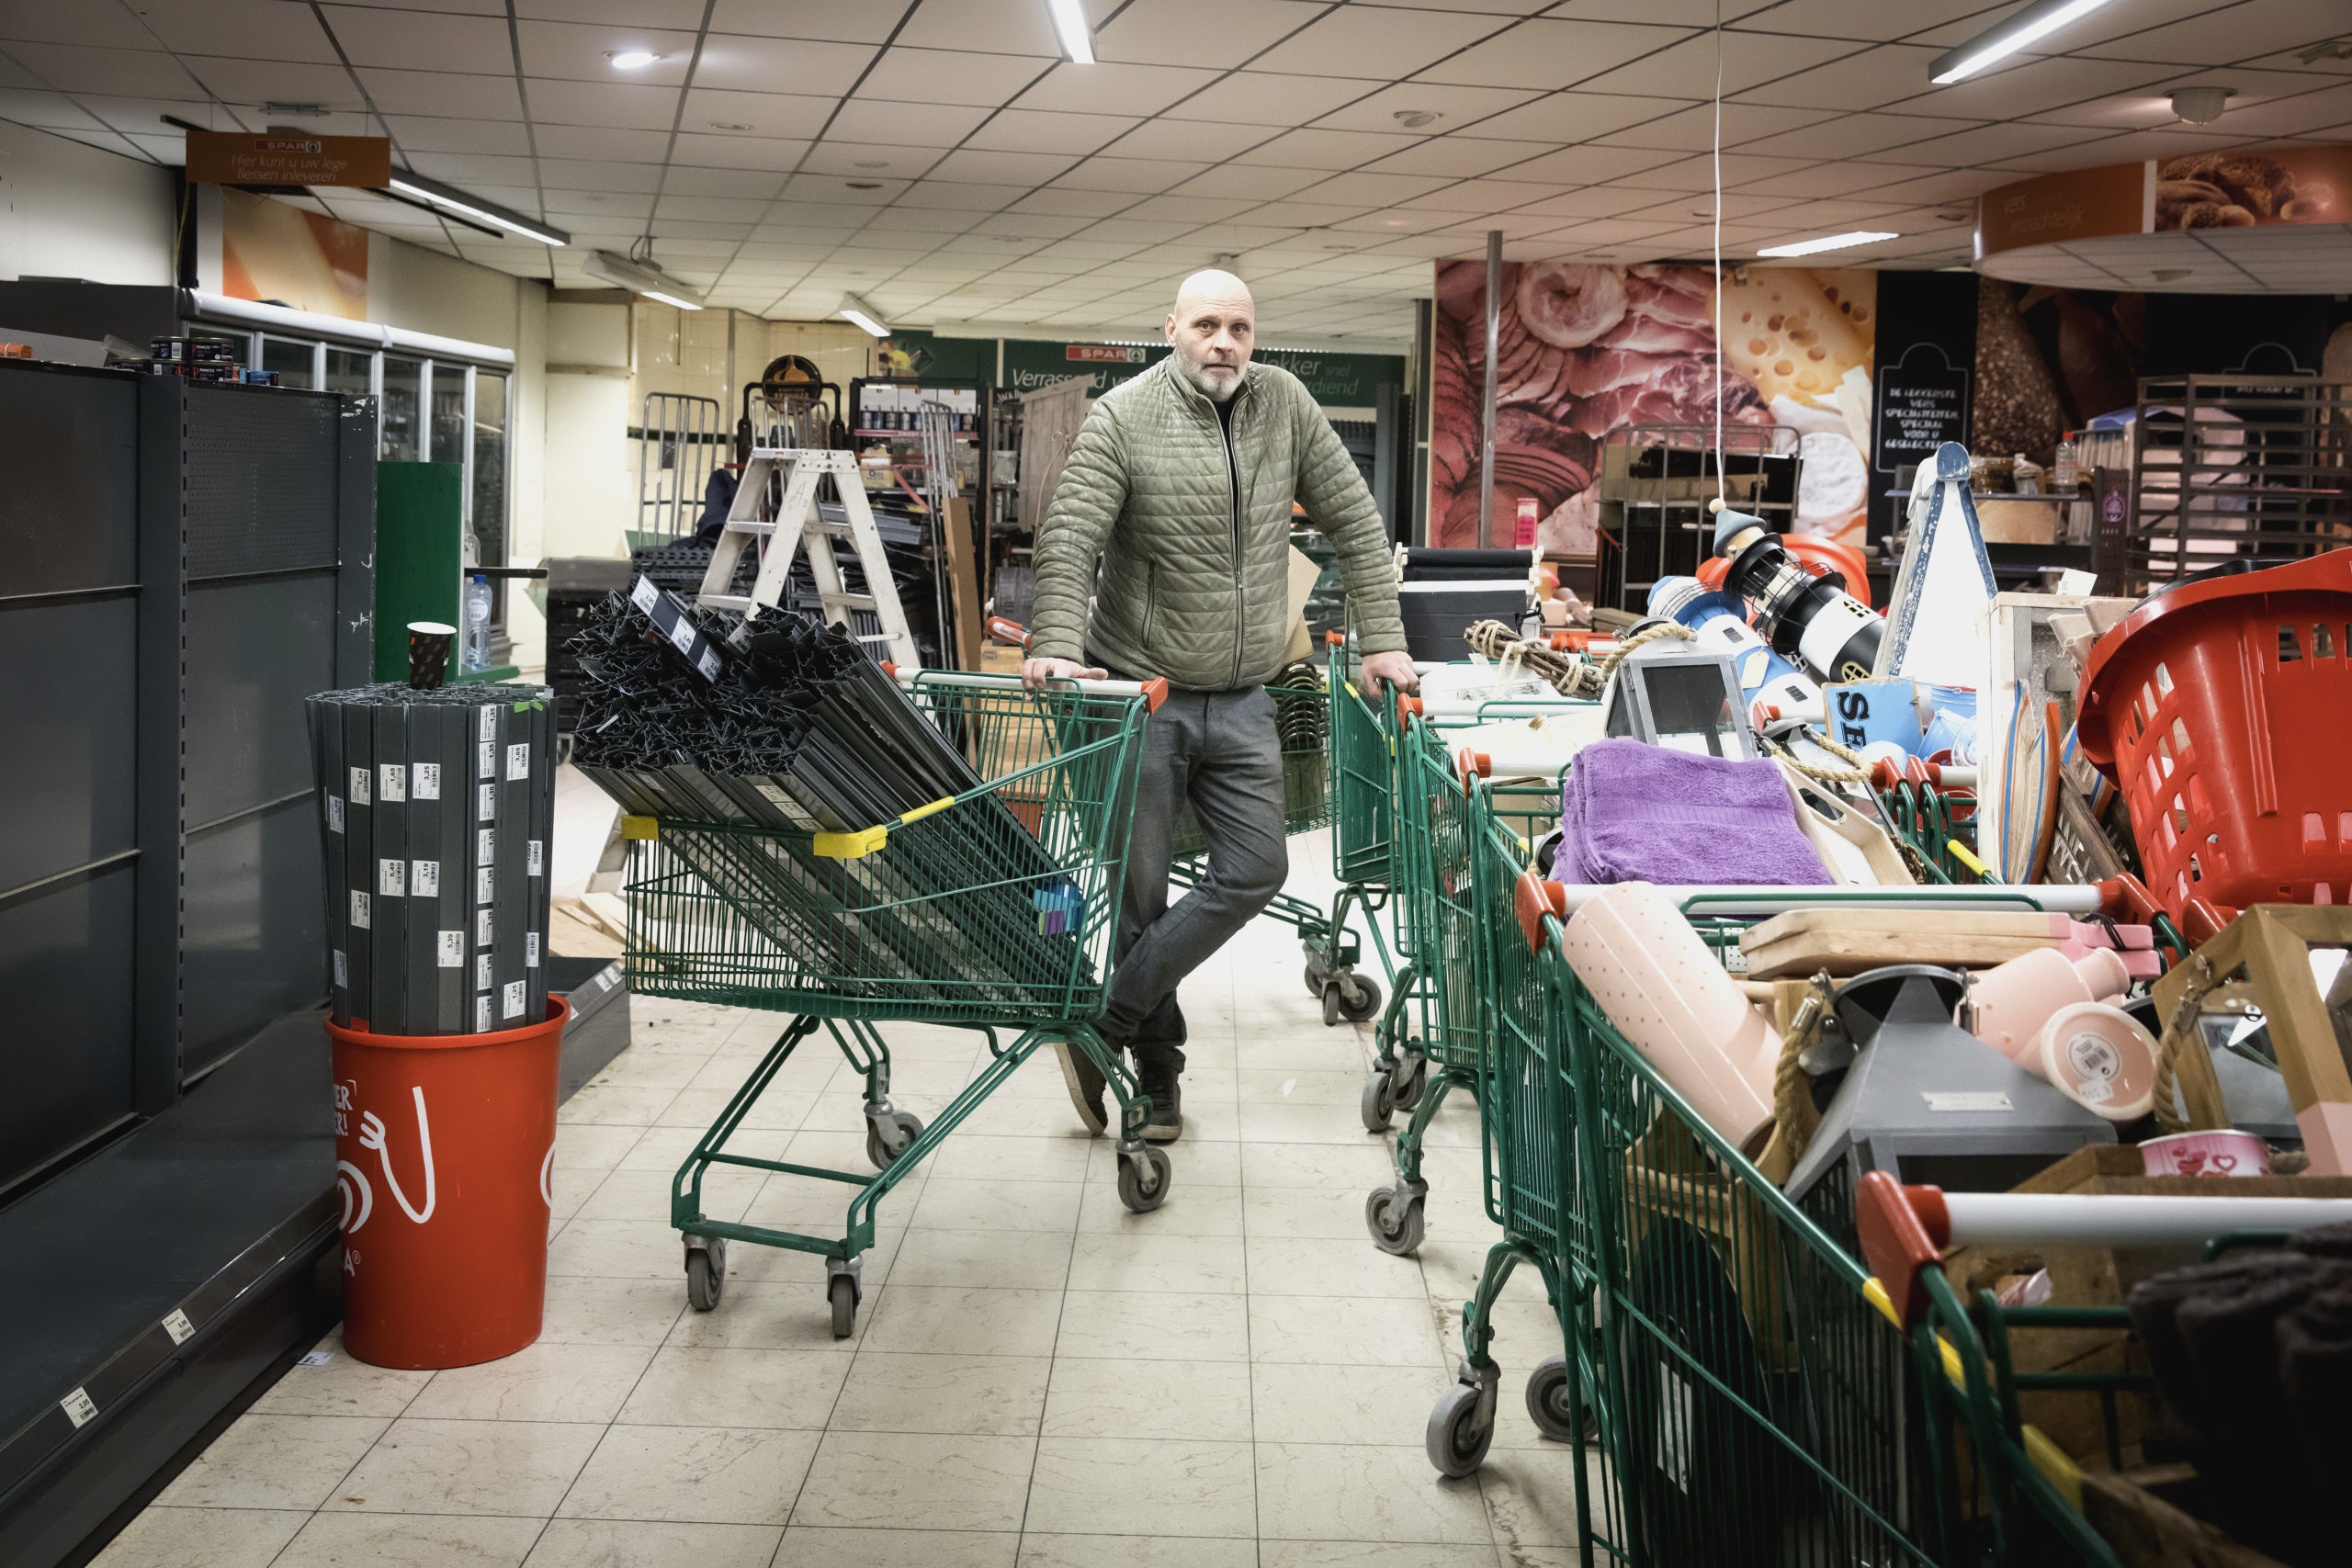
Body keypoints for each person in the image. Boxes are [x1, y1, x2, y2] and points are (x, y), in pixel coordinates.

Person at [1024, 268, 1419, 1143]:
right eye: (1207, 324)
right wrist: (1053, 641)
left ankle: (1104, 1021)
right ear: (1171, 327)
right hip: (1142, 695)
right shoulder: (1123, 416)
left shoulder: (1283, 402)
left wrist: (1382, 635)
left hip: (1243, 696)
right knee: (1141, 897)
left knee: (1257, 869)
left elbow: (1355, 519)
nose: (1224, 343)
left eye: (1239, 327)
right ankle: (1158, 1079)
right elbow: (1073, 533)